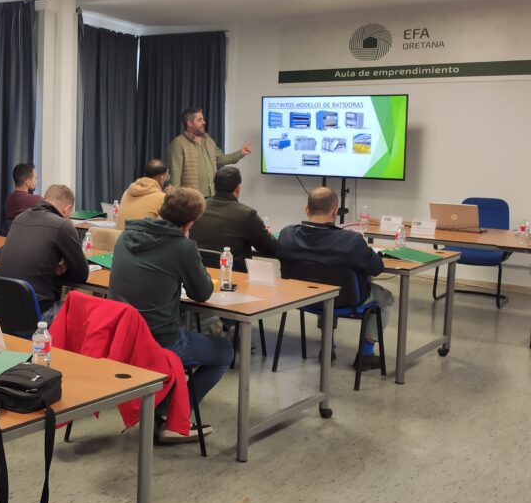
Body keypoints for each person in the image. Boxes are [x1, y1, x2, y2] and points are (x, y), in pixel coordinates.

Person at [108, 188, 233, 440]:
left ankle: (162, 407)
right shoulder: (181, 247)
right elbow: (202, 292)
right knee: (224, 352)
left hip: (121, 338)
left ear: (161, 210)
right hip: (159, 340)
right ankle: (168, 416)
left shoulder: (126, 235)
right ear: (190, 223)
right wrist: (189, 248)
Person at [277, 187, 394, 368]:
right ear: (335, 211)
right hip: (346, 300)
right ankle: (366, 353)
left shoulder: (287, 235)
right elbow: (377, 268)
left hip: (302, 298)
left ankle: (327, 346)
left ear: (307, 209)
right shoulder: (351, 241)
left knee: (322, 287)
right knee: (386, 298)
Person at [0, 184, 89, 324]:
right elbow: (82, 275)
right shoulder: (63, 225)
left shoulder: (19, 218)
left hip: (4, 309)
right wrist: (58, 270)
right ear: (67, 210)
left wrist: (50, 268)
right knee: (84, 313)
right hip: (38, 314)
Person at [190, 166, 278, 271]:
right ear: (238, 188)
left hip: (197, 274)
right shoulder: (247, 215)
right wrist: (266, 234)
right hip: (233, 277)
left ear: (215, 186)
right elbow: (271, 249)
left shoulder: (196, 208)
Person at [168, 107, 251, 198]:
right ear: (189, 123)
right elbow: (175, 173)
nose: (204, 122)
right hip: (191, 198)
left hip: (212, 195)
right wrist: (174, 198)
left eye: (203, 119)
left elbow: (220, 159)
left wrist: (241, 153)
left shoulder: (208, 140)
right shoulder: (178, 143)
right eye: (199, 120)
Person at [116, 159, 170, 230]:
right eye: (167, 176)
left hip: (119, 236)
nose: (167, 179)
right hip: (140, 237)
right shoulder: (161, 197)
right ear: (162, 178)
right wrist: (170, 197)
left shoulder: (127, 192)